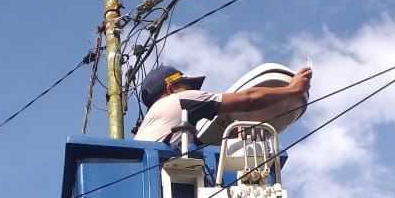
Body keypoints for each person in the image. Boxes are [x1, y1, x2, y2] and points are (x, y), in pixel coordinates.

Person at [134, 63, 312, 146]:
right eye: (186, 86)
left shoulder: (154, 126)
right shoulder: (178, 100)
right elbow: (249, 98)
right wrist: (293, 90)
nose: (191, 91)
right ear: (171, 88)